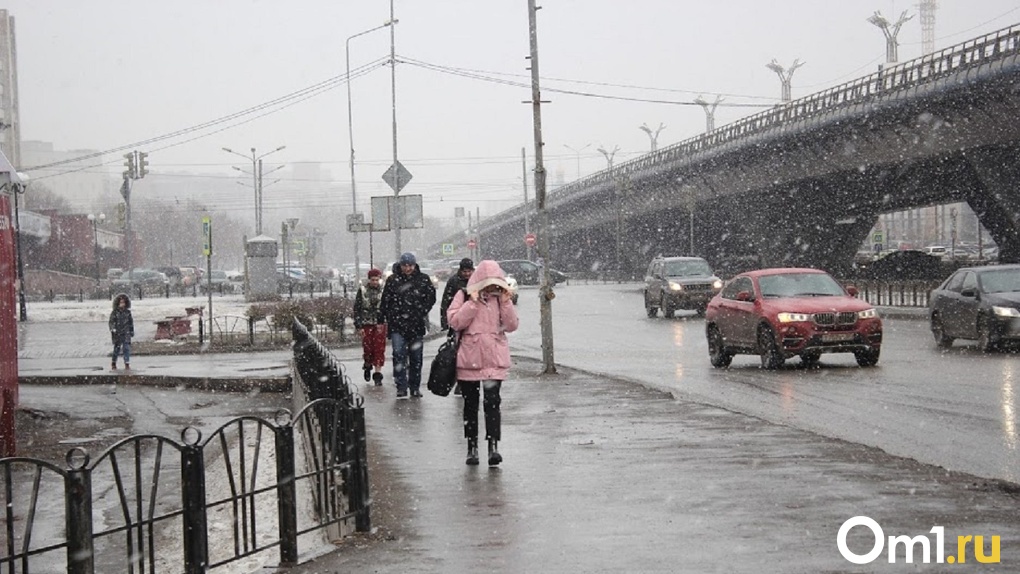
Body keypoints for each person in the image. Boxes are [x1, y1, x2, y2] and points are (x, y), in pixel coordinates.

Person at [446, 259, 519, 466]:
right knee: (470, 405)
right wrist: (473, 302)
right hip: (470, 360)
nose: (492, 287)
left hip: (494, 360)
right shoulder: (464, 295)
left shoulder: (500, 300)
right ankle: (472, 447)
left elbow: (512, 325)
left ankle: (493, 446)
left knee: (493, 403)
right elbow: (455, 321)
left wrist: (506, 301)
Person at [379, 252, 437, 399]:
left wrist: (421, 311)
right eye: (405, 265)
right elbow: (385, 300)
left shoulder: (423, 279)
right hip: (397, 324)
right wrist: (384, 317)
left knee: (416, 358)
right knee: (398, 355)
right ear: (401, 265)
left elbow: (431, 298)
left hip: (416, 324)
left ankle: (415, 387)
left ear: (414, 265)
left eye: (410, 265)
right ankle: (401, 386)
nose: (408, 268)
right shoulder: (393, 280)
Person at [353, 268, 387, 386]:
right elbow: (357, 309)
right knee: (368, 348)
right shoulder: (362, 291)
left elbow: (387, 307)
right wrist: (359, 325)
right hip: (366, 323)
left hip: (380, 323)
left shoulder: (384, 291)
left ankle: (377, 375)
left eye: (377, 280)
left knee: (379, 348)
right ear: (369, 280)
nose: (375, 282)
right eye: (373, 280)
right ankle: (367, 364)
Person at [440, 258, 474, 333]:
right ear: (460, 271)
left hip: (473, 319)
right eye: (465, 271)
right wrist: (445, 323)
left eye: (469, 271)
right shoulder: (454, 281)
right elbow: (446, 302)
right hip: (458, 317)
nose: (467, 274)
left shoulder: (477, 280)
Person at [108, 293, 134, 370]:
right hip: (117, 333)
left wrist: (131, 331)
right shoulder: (115, 312)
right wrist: (113, 329)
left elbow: (130, 322)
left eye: (123, 302)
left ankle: (127, 363)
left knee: (126, 348)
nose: (122, 304)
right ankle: (113, 362)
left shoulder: (128, 312)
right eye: (121, 302)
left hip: (126, 333)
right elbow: (111, 322)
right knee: (117, 349)